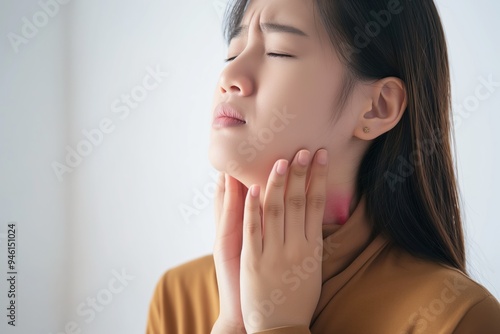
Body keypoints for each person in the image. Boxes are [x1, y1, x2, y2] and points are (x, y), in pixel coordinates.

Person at [146, 0, 500, 333]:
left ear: (378, 107)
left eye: (278, 51)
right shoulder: (177, 298)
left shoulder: (457, 317)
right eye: (233, 52)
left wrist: (277, 326)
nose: (230, 75)